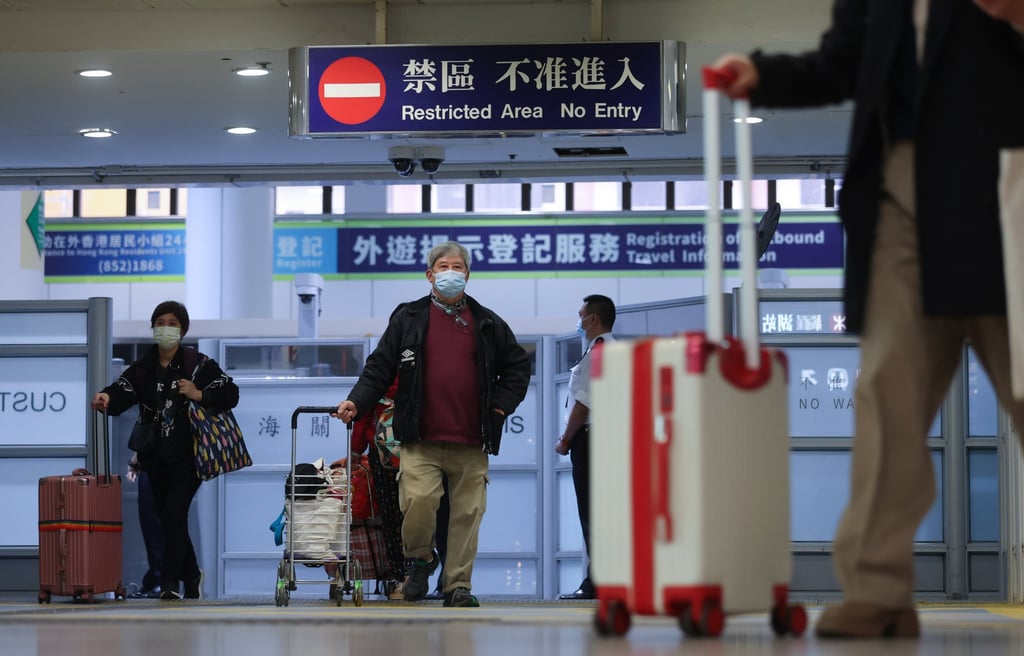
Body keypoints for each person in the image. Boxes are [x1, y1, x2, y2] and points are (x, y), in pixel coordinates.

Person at [712, 0, 1024, 638]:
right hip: (901, 194)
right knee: (887, 394)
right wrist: (761, 73)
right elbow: (842, 65)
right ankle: (878, 588)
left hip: (1008, 177)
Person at [333, 241, 531, 608]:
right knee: (419, 502)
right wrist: (355, 402)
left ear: (468, 275)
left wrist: (500, 407)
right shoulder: (409, 317)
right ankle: (422, 558)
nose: (451, 272)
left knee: (467, 514)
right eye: (444, 266)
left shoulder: (486, 322)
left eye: (458, 266)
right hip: (420, 437)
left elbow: (518, 367)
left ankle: (457, 586)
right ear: (430, 274)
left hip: (472, 439)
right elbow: (379, 367)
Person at [92, 301, 239, 601]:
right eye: (160, 321)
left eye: (173, 323)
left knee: (174, 512)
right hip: (153, 456)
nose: (166, 328)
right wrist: (106, 397)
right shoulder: (143, 367)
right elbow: (122, 390)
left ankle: (170, 581)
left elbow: (230, 393)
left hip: (190, 455)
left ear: (183, 329)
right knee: (167, 516)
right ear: (153, 327)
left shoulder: (198, 364)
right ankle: (192, 573)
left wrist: (199, 393)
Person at [555, 294, 616, 600]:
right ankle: (604, 579)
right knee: (601, 512)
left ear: (592, 319)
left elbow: (583, 404)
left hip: (590, 439)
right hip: (604, 440)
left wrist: (565, 439)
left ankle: (597, 582)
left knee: (591, 511)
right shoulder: (605, 350)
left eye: (581, 316)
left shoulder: (599, 352)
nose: (578, 322)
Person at [126, 457, 164, 599]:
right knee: (165, 525)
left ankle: (159, 579)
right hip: (175, 465)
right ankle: (163, 578)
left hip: (155, 466)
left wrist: (134, 462)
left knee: (152, 525)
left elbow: (146, 436)